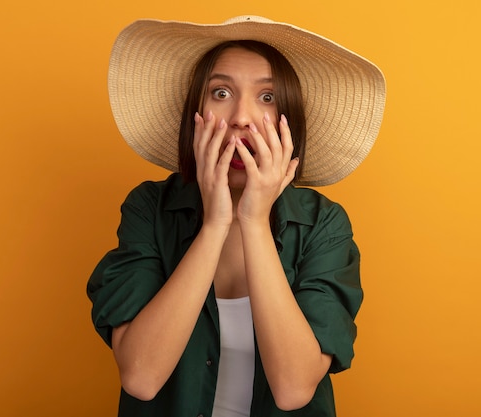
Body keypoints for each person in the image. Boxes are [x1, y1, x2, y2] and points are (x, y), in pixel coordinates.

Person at [87, 15, 385, 417]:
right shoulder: (148, 209)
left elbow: (294, 390)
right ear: (195, 113)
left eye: (267, 97)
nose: (241, 117)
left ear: (288, 119)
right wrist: (214, 225)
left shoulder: (324, 226)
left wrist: (254, 222)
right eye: (221, 92)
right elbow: (140, 377)